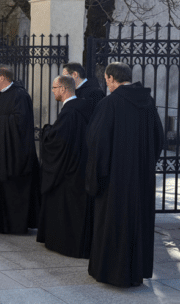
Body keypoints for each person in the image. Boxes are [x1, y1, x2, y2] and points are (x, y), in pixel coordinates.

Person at [86, 62, 164, 287]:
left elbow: (96, 142)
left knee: (112, 223)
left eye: (107, 80)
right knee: (136, 223)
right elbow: (158, 138)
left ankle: (110, 273)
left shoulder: (108, 103)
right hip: (141, 179)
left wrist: (96, 177)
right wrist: (145, 164)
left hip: (114, 180)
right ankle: (135, 272)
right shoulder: (148, 103)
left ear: (110, 78)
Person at [36, 75, 93, 258]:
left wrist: (46, 131)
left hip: (68, 171)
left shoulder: (69, 112)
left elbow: (58, 142)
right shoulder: (85, 107)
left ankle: (65, 244)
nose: (52, 91)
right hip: (82, 166)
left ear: (63, 89)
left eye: (54, 88)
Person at [0, 64, 40, 234]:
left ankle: (13, 225)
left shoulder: (20, 95)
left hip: (13, 154)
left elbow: (21, 121)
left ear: (3, 77)